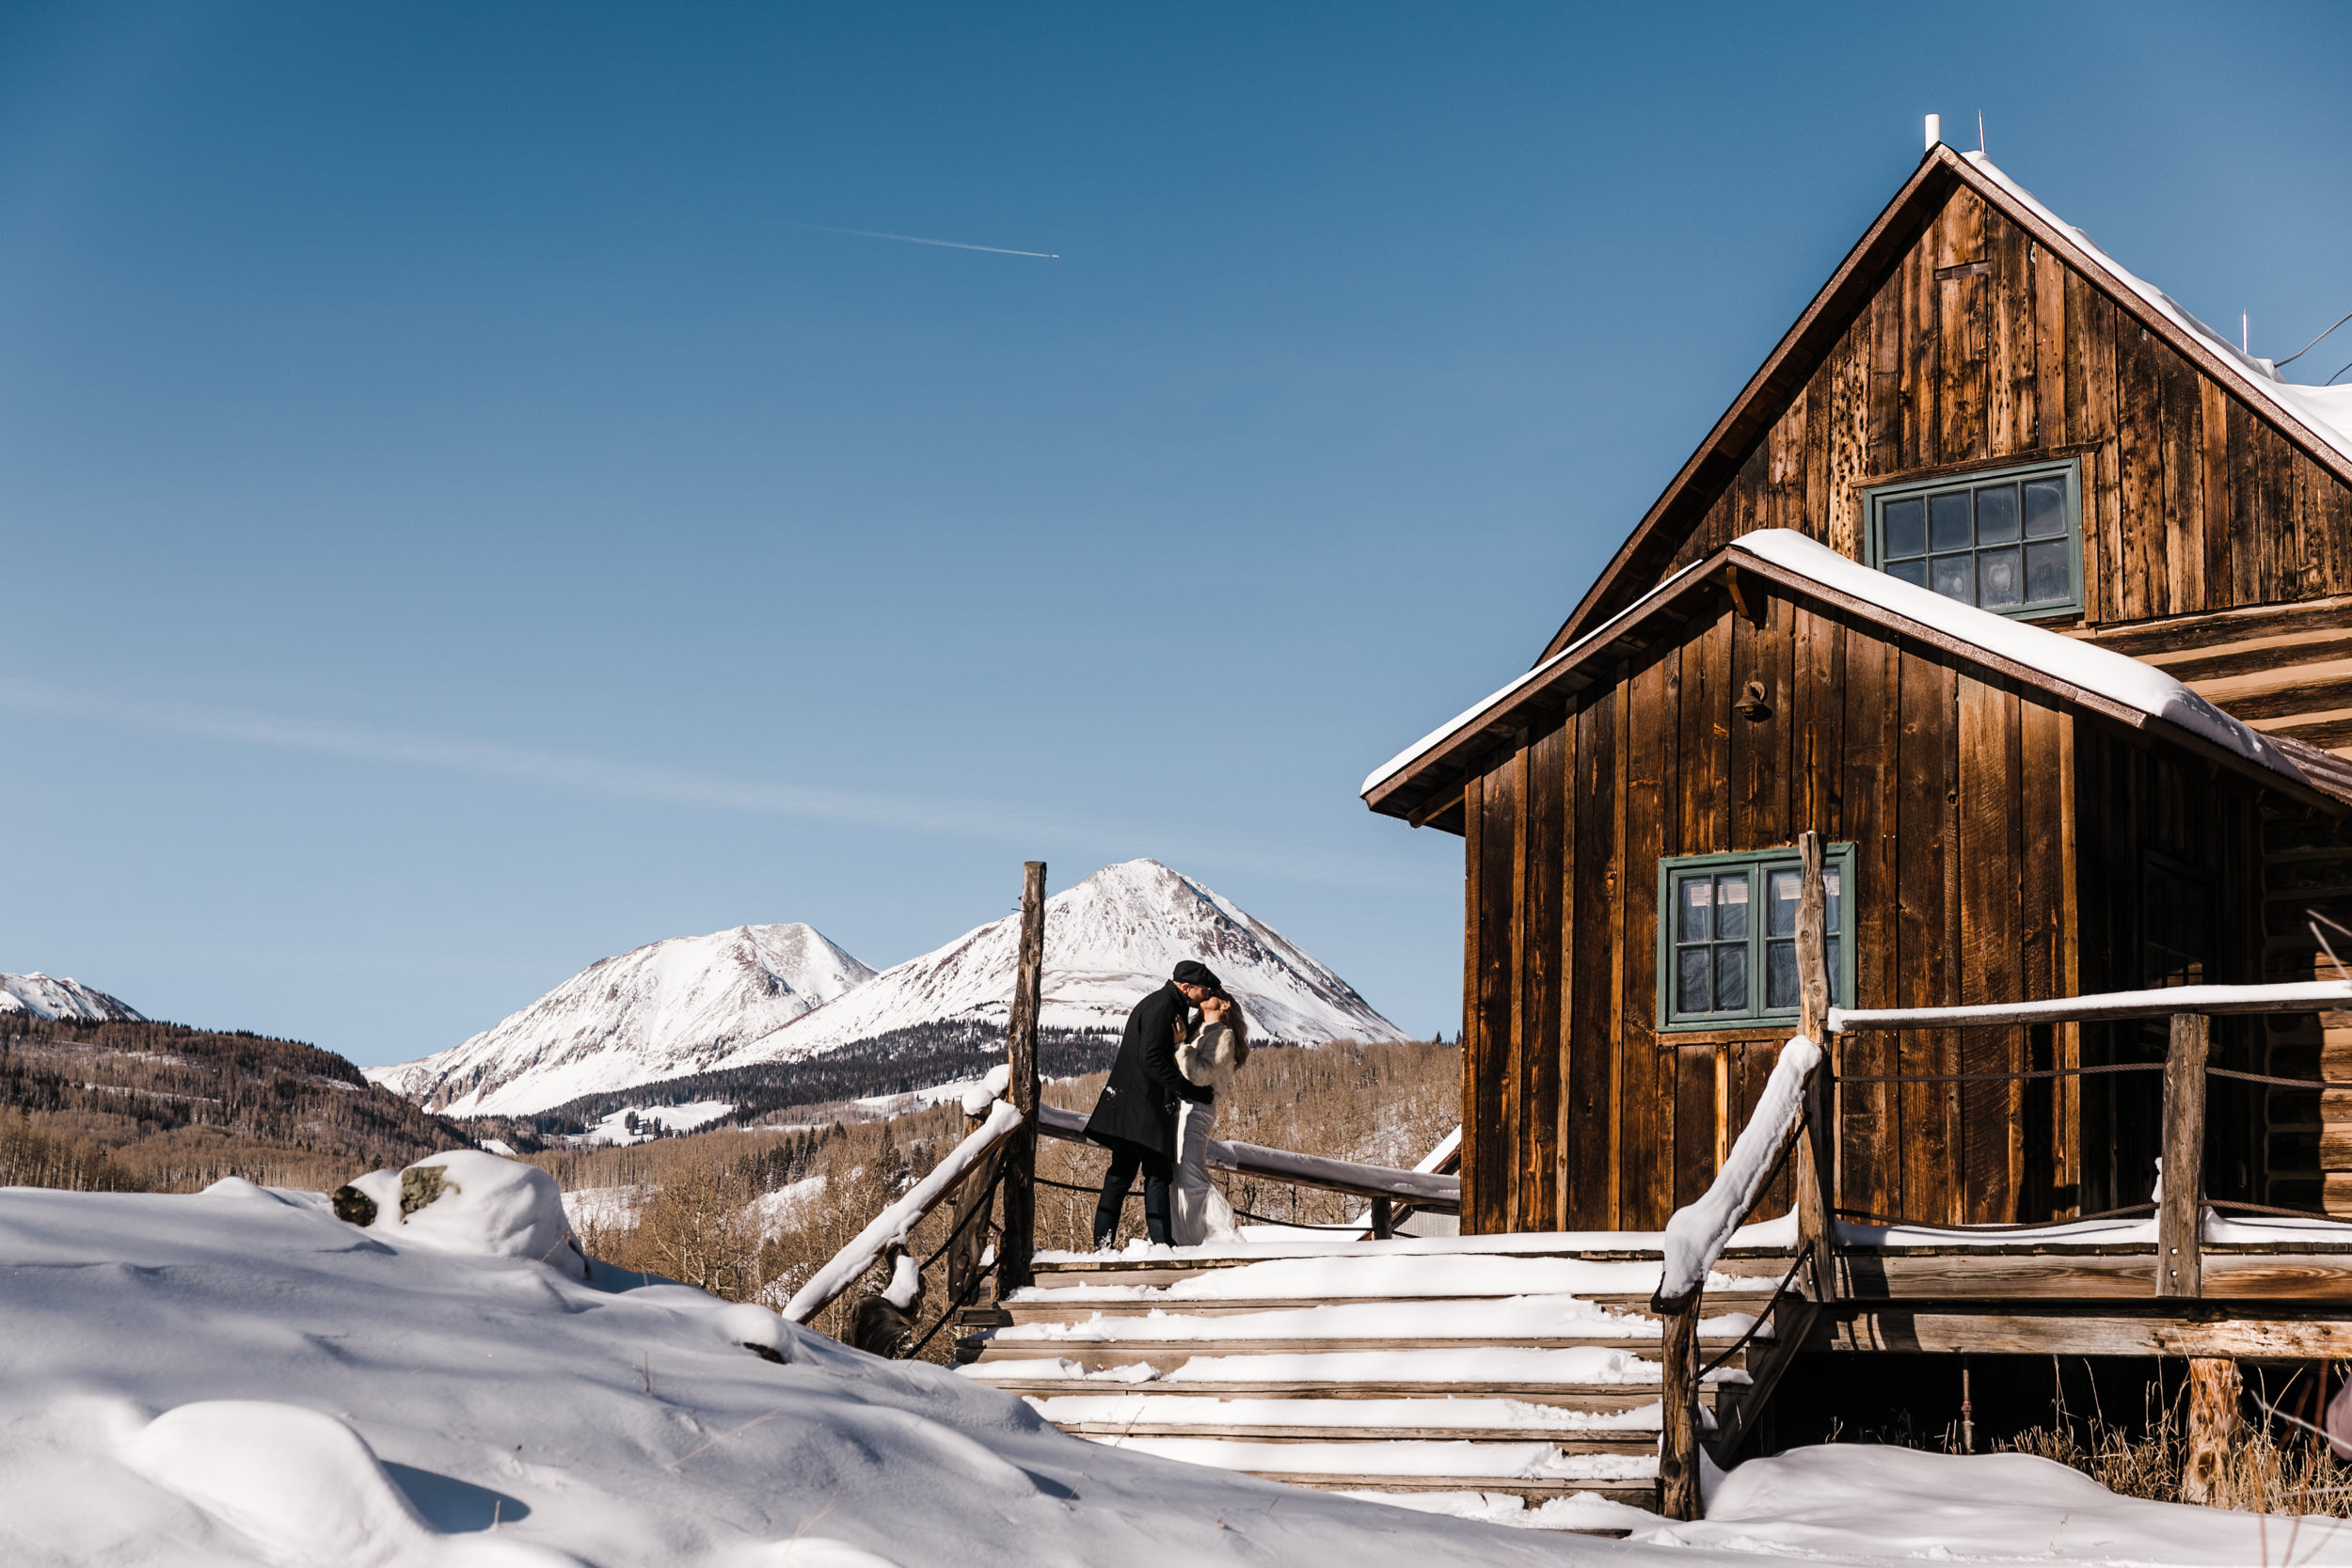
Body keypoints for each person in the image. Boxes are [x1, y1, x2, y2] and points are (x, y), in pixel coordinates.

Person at [1082, 960, 1218, 1250]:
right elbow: (1152, 1059)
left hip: (1131, 1105)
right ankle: (1161, 1245)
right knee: (1157, 1175)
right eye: (1203, 990)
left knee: (1120, 1175)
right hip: (1145, 1108)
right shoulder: (1165, 1007)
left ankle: (1104, 1246)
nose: (1206, 996)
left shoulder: (1160, 1002)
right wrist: (1190, 1090)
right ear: (1186, 987)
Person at [1171, 990, 1248, 1245]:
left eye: (1213, 993)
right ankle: (1188, 1238)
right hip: (1184, 1108)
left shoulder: (1224, 1036)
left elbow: (1201, 1075)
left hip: (1198, 1110)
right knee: (1178, 1177)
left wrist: (1180, 1047)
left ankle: (1224, 1236)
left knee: (1190, 1173)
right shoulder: (1202, 1031)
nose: (1206, 994)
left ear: (1224, 1004)